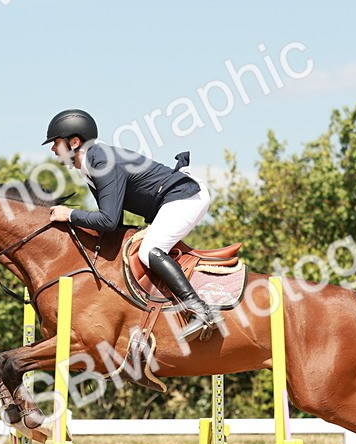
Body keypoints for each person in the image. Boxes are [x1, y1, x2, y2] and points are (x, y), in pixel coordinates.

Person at [42, 108, 223, 340]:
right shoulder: (91, 164)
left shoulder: (102, 161)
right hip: (170, 200)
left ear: (74, 142)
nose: (53, 149)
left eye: (56, 143)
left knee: (149, 251)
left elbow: (108, 221)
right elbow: (114, 223)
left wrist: (69, 215)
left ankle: (200, 310)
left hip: (185, 197)